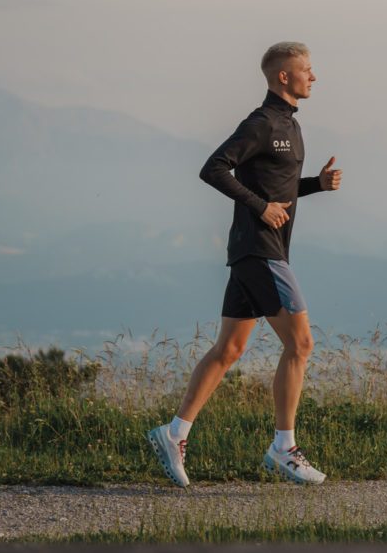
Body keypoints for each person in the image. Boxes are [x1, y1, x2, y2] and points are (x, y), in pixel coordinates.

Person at [147, 41, 341, 487]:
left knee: (230, 350)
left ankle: (174, 433)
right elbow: (213, 168)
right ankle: (283, 448)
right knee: (302, 344)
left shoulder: (290, 126)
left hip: (256, 250)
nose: (314, 77)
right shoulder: (261, 122)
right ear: (283, 77)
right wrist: (259, 208)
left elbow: (277, 186)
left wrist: (316, 185)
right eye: (307, 70)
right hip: (260, 250)